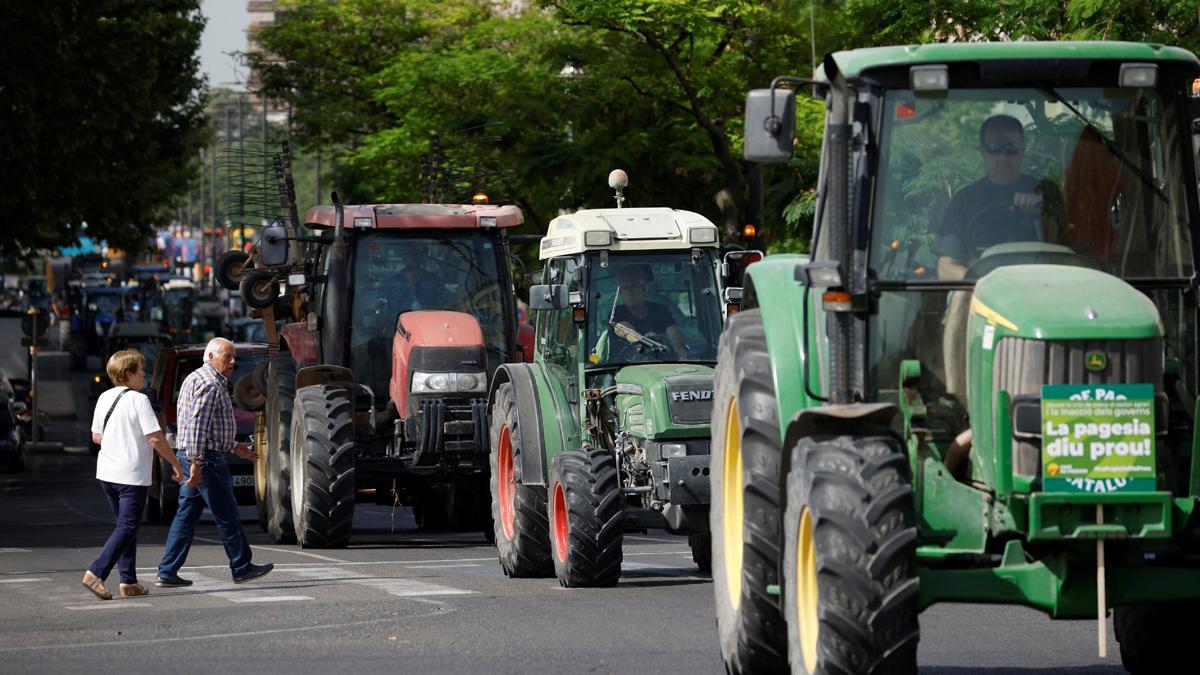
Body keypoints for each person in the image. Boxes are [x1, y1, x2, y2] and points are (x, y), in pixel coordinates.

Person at [155, 337, 273, 587]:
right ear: (210, 357)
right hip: (205, 459)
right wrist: (197, 463)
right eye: (226, 357)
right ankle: (241, 567)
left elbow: (206, 426)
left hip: (196, 455)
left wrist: (234, 447)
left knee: (186, 515)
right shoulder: (210, 384)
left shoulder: (198, 378)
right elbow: (197, 426)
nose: (232, 362)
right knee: (227, 513)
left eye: (233, 357)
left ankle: (167, 570)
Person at [82, 349, 187, 600]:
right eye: (140, 369)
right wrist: (175, 463)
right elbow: (154, 437)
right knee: (128, 526)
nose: (144, 374)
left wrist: (119, 438)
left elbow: (96, 437)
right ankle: (96, 572)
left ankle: (128, 581)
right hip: (131, 476)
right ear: (128, 373)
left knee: (125, 527)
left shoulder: (104, 398)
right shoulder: (140, 400)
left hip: (107, 473)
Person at [934, 114, 1047, 280]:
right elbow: (945, 269)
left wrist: (1041, 215)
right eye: (994, 148)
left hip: (1038, 287)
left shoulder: (1045, 193)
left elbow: (1066, 257)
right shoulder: (964, 200)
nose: (1003, 157)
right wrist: (986, 284)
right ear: (983, 151)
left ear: (1022, 151)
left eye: (1011, 149)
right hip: (977, 292)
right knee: (959, 297)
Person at [610, 265, 688, 360]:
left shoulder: (659, 310)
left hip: (662, 362)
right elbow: (623, 328)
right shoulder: (617, 312)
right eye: (625, 288)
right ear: (620, 293)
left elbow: (673, 330)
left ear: (644, 289)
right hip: (623, 366)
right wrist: (644, 341)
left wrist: (680, 352)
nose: (629, 292)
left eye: (634, 286)